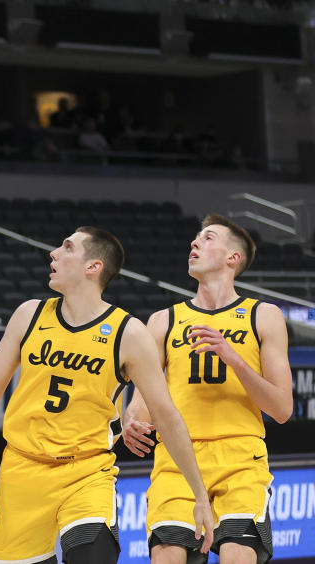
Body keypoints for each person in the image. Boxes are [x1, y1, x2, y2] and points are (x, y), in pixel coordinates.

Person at [0, 227, 215, 564]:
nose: (53, 253)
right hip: (22, 471)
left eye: (67, 247)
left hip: (86, 472)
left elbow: (167, 417)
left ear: (92, 266)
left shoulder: (128, 333)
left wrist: (200, 494)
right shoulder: (29, 315)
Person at [123, 214, 293, 564]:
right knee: (167, 554)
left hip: (239, 455)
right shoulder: (163, 320)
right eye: (196, 238)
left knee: (237, 553)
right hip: (177, 458)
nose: (194, 243)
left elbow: (281, 408)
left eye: (208, 238)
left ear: (233, 258)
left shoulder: (262, 315)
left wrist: (235, 359)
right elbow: (142, 404)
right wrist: (132, 420)